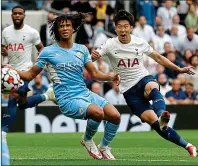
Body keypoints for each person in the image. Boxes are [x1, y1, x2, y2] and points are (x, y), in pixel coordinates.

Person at [10, 13, 121, 160]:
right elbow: (30, 74)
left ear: (73, 27)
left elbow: (94, 73)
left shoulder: (81, 49)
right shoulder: (48, 52)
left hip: (84, 93)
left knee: (115, 116)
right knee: (98, 113)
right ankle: (87, 140)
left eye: (68, 25)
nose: (65, 28)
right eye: (61, 26)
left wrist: (110, 77)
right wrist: (11, 69)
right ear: (56, 30)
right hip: (66, 98)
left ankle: (104, 147)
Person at [91, 9, 197, 157]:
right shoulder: (109, 44)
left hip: (142, 79)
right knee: (157, 126)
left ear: (131, 27)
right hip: (129, 91)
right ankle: (188, 146)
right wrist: (93, 56)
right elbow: (92, 59)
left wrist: (178, 68)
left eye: (126, 26)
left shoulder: (139, 42)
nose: (123, 29)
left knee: (152, 87)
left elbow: (158, 58)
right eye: (119, 26)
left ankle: (162, 114)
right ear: (115, 28)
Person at [1, 6, 55, 164]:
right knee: (22, 104)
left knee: (13, 97)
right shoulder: (6, 32)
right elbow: (4, 48)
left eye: (20, 13)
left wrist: (37, 68)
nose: (17, 15)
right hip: (10, 72)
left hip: (25, 71)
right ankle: (47, 95)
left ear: (24, 15)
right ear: (11, 15)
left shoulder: (32, 32)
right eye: (15, 13)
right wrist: (4, 53)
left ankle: (3, 131)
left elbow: (41, 50)